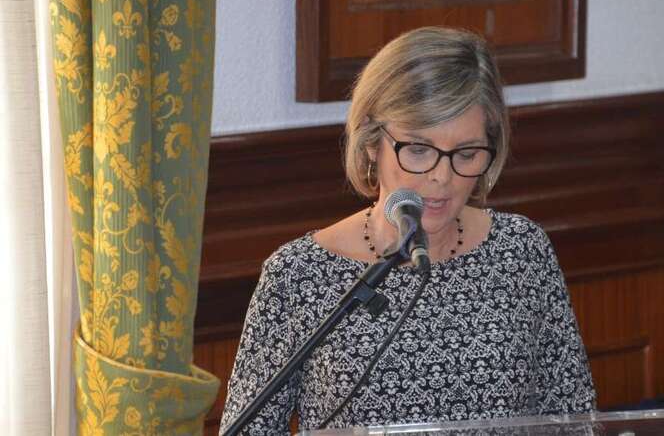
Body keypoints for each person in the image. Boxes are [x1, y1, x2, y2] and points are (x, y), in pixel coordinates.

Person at [219, 27, 596, 435]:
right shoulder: (297, 275)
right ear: (370, 143)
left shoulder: (521, 251)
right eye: (418, 149)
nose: (441, 177)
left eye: (466, 154)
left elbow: (574, 418)